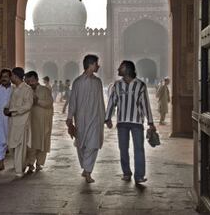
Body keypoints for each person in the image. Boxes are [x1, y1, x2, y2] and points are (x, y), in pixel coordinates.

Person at [105, 60, 156, 184]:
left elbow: (145, 104)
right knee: (123, 148)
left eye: (121, 68)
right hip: (122, 121)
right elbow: (112, 102)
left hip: (137, 122)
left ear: (127, 69)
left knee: (139, 149)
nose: (118, 69)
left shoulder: (140, 85)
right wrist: (108, 118)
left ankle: (139, 175)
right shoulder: (117, 85)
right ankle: (126, 173)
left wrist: (150, 122)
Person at [66, 54, 106, 183]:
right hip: (81, 120)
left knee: (93, 146)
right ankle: (85, 167)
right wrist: (69, 118)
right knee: (81, 145)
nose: (98, 66)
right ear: (90, 65)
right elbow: (73, 101)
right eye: (96, 64)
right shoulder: (78, 82)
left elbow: (101, 101)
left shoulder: (98, 82)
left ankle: (88, 172)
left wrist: (104, 118)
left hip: (95, 119)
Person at [4, 67, 34, 177]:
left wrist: (12, 111)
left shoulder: (27, 89)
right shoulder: (14, 89)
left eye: (11, 75)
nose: (10, 77)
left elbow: (28, 106)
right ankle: (20, 166)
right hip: (13, 122)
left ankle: (19, 171)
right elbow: (10, 103)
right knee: (12, 147)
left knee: (20, 147)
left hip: (22, 122)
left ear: (16, 76)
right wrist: (6, 109)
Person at [24, 71, 54, 173]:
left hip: (43, 122)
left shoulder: (45, 90)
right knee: (31, 144)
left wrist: (38, 102)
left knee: (42, 143)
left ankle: (39, 163)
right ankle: (30, 164)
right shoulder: (26, 91)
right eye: (28, 81)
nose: (30, 83)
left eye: (32, 80)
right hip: (30, 122)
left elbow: (49, 103)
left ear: (37, 79)